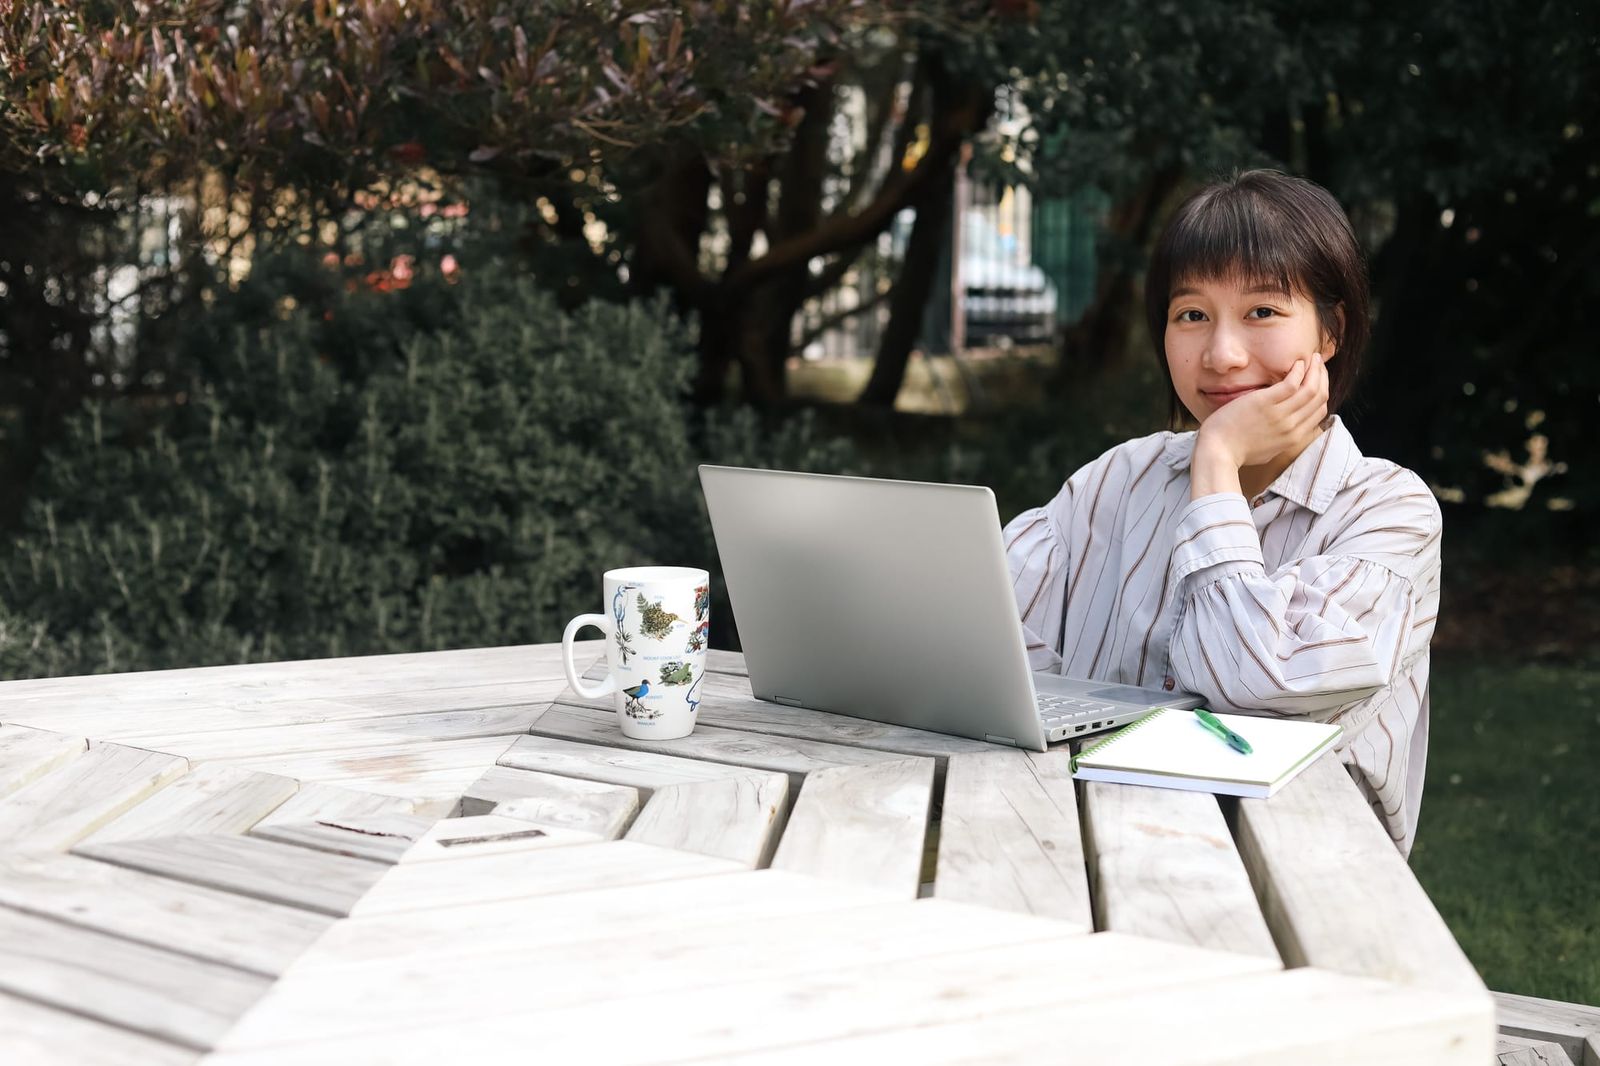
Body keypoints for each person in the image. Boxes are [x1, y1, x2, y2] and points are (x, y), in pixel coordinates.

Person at [1005, 169, 1441, 856]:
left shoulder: (1388, 511)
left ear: (1331, 332)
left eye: (1262, 312)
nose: (1221, 354)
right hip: (1088, 841)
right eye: (1192, 315)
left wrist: (1216, 468)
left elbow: (1252, 691)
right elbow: (988, 641)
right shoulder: (1121, 478)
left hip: (1288, 873)